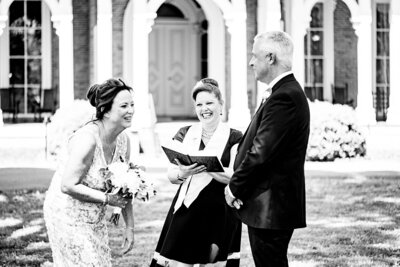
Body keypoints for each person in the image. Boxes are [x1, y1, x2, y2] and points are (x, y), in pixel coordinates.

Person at [225, 31, 310, 267]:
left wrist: (234, 188)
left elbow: (261, 153)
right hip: (267, 204)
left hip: (271, 206)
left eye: (255, 56)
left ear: (270, 57)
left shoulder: (285, 97)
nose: (251, 62)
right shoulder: (282, 92)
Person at [151, 78, 243, 267]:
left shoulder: (235, 136)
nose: (204, 108)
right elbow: (171, 174)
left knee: (211, 262)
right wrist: (183, 172)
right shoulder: (185, 133)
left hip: (220, 210)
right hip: (187, 207)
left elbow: (236, 176)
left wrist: (207, 166)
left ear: (220, 105)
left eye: (209, 103)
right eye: (199, 104)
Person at [43, 78, 135, 266]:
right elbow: (68, 185)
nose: (131, 110)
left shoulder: (124, 141)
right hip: (65, 214)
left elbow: (125, 186)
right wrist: (108, 199)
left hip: (95, 217)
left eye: (132, 105)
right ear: (106, 111)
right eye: (124, 106)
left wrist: (130, 227)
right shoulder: (87, 140)